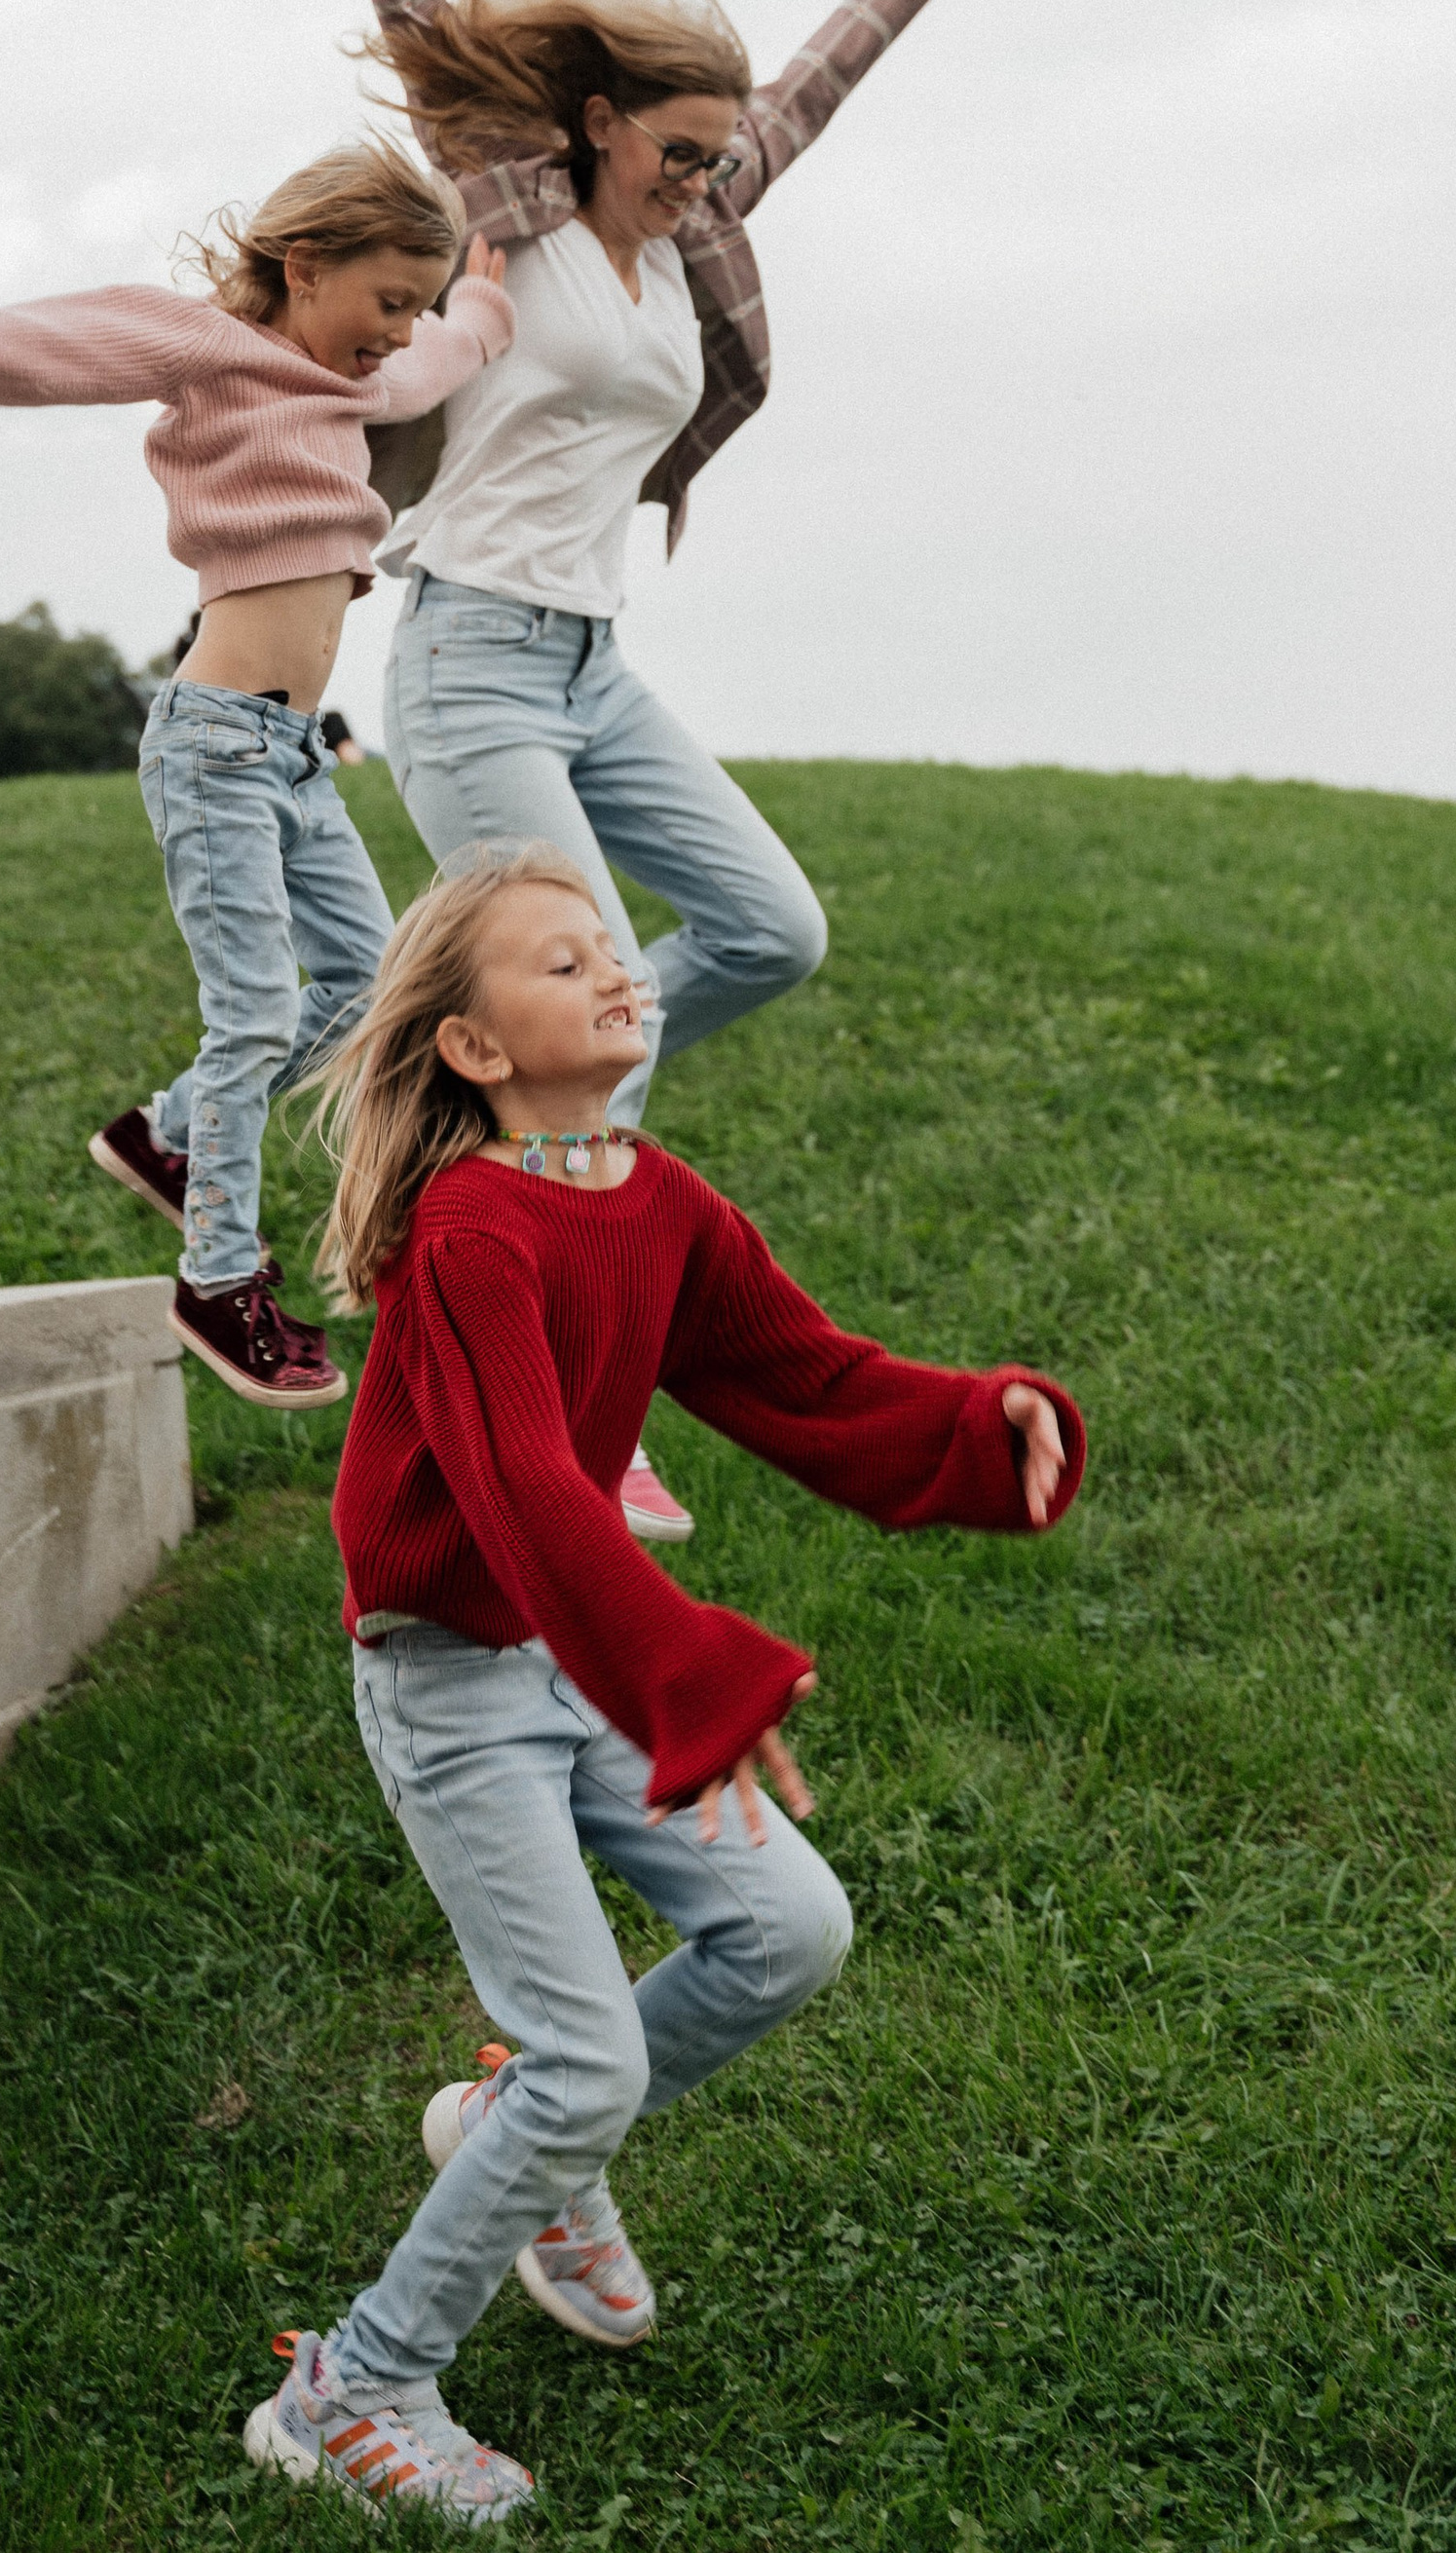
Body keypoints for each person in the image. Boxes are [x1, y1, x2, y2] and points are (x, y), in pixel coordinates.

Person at [241, 845, 1083, 2519]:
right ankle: (351, 2387)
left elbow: (810, 1377)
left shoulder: (655, 1194)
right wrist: (686, 1664)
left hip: (579, 1643)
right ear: (475, 1048)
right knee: (592, 2065)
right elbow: (530, 1494)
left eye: (610, 949)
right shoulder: (471, 1227)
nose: (615, 972)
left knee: (792, 1928)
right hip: (460, 1681)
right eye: (561, 964)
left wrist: (977, 1423)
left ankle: (516, 2140)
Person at [321, 0, 939, 1547]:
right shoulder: (510, 204)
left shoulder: (691, 240)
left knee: (766, 930)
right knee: (593, 1007)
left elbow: (793, 110)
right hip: (470, 660)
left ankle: (464, 1125)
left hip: (592, 667)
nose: (699, 183)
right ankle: (580, 1432)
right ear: (592, 127)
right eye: (673, 156)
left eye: (711, 162)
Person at [0, 141, 511, 1410]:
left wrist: (482, 310)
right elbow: (52, 348)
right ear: (304, 263)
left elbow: (443, 357)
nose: (398, 333)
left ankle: (168, 1132)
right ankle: (217, 1276)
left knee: (370, 985)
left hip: (294, 757)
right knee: (257, 1013)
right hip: (215, 741)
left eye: (412, 306)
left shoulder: (358, 388)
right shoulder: (207, 346)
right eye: (385, 299)